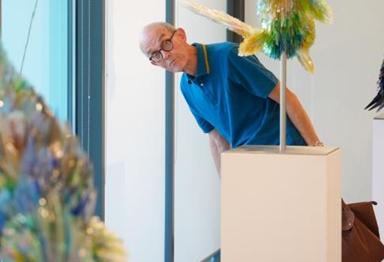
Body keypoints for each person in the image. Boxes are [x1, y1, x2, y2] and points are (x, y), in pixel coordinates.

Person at [139, 21, 324, 175]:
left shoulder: (228, 56)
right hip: (250, 165)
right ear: (155, 64)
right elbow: (217, 140)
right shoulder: (186, 88)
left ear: (181, 35)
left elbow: (286, 98)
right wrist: (228, 188)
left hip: (286, 150)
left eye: (165, 44)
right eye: (155, 55)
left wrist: (317, 151)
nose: (165, 55)